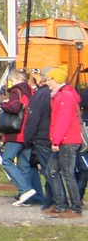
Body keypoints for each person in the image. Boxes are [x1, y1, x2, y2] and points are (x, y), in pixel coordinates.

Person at [45, 65, 84, 218]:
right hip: (64, 139)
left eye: (49, 80)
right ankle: (61, 205)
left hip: (67, 140)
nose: (46, 82)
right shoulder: (61, 95)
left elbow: (63, 121)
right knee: (52, 171)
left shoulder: (65, 97)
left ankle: (75, 209)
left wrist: (56, 140)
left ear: (56, 80)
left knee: (67, 173)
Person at [0, 68, 37, 205]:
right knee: (24, 164)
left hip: (16, 133)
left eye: (12, 80)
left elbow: (14, 107)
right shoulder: (31, 91)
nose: (11, 83)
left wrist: (3, 104)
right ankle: (26, 197)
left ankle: (25, 190)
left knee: (7, 161)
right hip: (28, 132)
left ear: (18, 80)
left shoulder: (16, 90)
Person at [23, 71, 55, 215]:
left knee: (49, 172)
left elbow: (33, 118)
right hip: (55, 137)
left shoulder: (39, 96)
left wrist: (28, 138)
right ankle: (47, 199)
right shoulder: (58, 94)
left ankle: (53, 201)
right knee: (53, 171)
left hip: (42, 137)